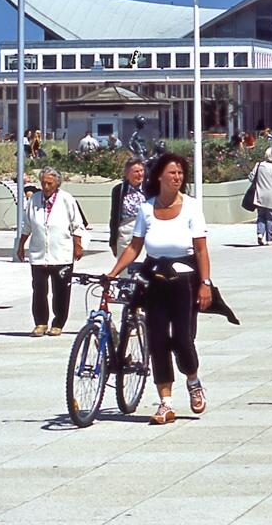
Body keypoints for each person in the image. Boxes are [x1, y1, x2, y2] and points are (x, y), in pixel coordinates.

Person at [107, 151, 214, 424]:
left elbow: (201, 251)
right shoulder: (147, 208)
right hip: (154, 278)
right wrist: (112, 272)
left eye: (180, 173)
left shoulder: (191, 207)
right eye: (172, 173)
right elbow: (134, 247)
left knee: (182, 338)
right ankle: (165, 402)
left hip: (184, 281)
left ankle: (192, 380)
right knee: (156, 341)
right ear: (159, 176)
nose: (177, 177)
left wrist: (206, 284)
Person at [15, 167, 86, 336]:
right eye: (43, 183)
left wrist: (78, 245)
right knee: (39, 289)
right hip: (39, 253)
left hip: (61, 253)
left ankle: (58, 322)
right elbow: (28, 225)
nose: (46, 186)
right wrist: (21, 245)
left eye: (49, 183)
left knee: (61, 290)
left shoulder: (66, 199)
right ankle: (40, 322)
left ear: (57, 183)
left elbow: (77, 224)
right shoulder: (35, 200)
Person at [249, 146, 272, 245]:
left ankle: (260, 234)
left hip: (260, 195)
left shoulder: (259, 165)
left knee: (261, 216)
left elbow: (251, 177)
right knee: (271, 217)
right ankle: (269, 239)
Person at [109, 157, 146, 255]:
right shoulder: (119, 190)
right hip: (126, 229)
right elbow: (114, 216)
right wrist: (113, 241)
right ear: (127, 174)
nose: (140, 174)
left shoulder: (149, 188)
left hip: (146, 227)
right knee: (123, 264)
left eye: (142, 170)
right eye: (136, 171)